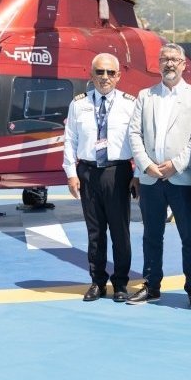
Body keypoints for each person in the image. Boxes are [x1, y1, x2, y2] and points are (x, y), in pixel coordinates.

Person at [126, 44, 191, 309]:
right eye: (164, 59)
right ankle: (151, 286)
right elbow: (134, 133)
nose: (169, 64)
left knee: (190, 237)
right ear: (158, 64)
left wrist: (177, 164)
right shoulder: (145, 96)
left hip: (180, 179)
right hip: (151, 179)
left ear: (183, 65)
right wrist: (146, 165)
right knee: (151, 236)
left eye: (174, 59)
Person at [63, 52, 138, 302]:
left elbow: (138, 141)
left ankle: (120, 283)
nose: (105, 77)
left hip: (117, 172)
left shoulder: (130, 104)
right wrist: (71, 173)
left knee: (120, 232)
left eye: (110, 72)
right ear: (91, 74)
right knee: (94, 232)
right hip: (88, 172)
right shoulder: (78, 104)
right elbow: (70, 140)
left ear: (118, 76)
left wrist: (137, 173)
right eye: (100, 72)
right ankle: (97, 282)